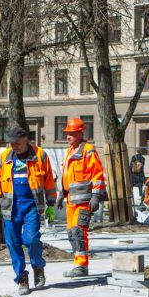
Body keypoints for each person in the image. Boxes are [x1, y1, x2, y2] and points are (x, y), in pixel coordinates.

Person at [0, 127, 57, 295]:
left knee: (32, 239)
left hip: (31, 206)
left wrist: (50, 204)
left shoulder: (39, 155)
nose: (14, 146)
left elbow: (49, 180)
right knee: (13, 243)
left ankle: (38, 267)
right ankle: (22, 278)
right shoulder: (4, 157)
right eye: (11, 143)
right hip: (10, 207)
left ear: (26, 139)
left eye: (17, 143)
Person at [59, 117, 105, 278]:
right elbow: (66, 176)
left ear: (79, 133)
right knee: (72, 233)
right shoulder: (70, 152)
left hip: (84, 201)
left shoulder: (88, 150)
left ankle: (81, 265)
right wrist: (61, 194)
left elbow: (97, 174)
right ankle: (78, 262)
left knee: (79, 231)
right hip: (71, 201)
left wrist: (96, 195)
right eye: (67, 133)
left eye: (71, 134)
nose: (67, 137)